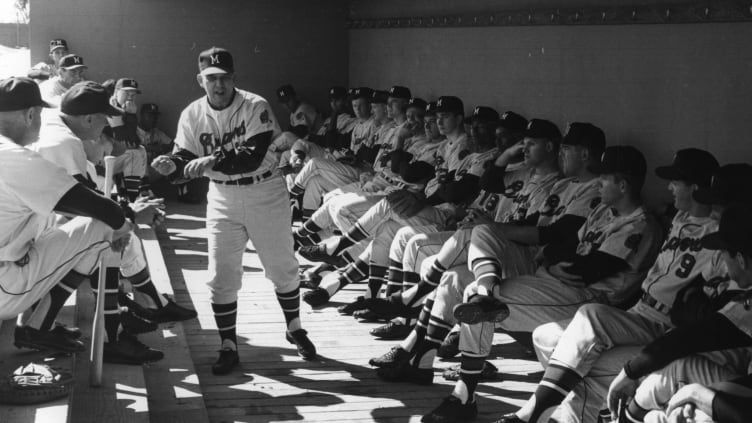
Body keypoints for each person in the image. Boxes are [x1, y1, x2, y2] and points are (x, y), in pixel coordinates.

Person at [493, 148, 723, 423]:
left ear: (696, 188)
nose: (669, 187)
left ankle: (534, 412)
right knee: (546, 337)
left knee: (591, 320)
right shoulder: (679, 217)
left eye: (677, 182)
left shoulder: (718, 235)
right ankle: (572, 413)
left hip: (665, 322)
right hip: (640, 311)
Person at [151, 47, 316, 375]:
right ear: (201, 80)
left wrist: (209, 161)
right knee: (221, 276)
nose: (219, 84)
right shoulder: (192, 113)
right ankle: (228, 345)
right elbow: (184, 155)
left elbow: (251, 155)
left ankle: (294, 327)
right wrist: (172, 164)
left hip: (264, 190)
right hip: (223, 197)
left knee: (282, 267)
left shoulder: (255, 105)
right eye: (212, 79)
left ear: (233, 78)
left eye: (225, 77)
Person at [0, 77, 133, 352]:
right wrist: (122, 225)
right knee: (102, 225)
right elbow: (101, 209)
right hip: (5, 288)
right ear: (30, 114)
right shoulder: (12, 157)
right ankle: (45, 328)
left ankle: (40, 327)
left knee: (54, 219)